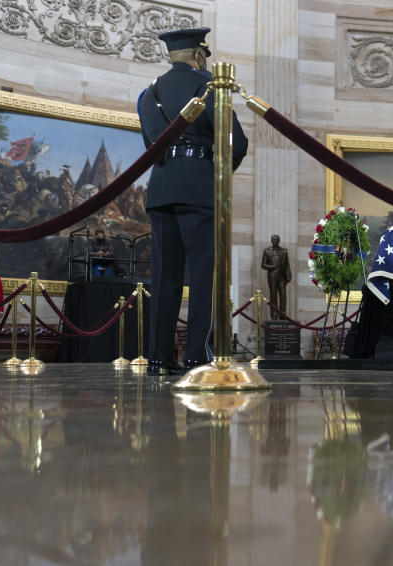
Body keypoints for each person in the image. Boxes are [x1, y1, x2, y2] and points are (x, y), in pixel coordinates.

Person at [137, 27, 248, 375]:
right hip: (199, 187)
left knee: (165, 277)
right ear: (199, 55)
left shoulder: (147, 94)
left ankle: (158, 357)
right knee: (204, 274)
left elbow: (150, 146)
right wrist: (215, 175)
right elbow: (236, 143)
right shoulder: (207, 87)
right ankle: (198, 356)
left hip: (161, 187)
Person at [261, 234, 291, 319]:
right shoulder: (267, 251)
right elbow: (263, 264)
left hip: (282, 277)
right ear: (271, 241)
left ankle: (282, 315)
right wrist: (272, 266)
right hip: (272, 276)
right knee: (273, 296)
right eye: (273, 240)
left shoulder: (284, 251)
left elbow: (287, 264)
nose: (274, 241)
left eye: (276, 240)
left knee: (283, 296)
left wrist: (289, 275)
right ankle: (274, 316)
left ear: (279, 241)